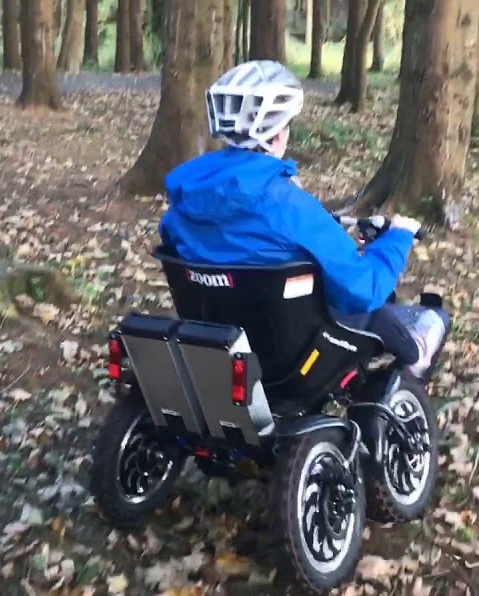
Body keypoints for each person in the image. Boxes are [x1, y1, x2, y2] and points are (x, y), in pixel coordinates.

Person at [157, 59, 448, 380]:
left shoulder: (184, 202)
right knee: (379, 313)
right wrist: (398, 237)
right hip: (293, 356)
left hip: (219, 340)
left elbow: (239, 234)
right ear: (278, 135)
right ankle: (416, 353)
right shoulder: (290, 208)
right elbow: (363, 289)